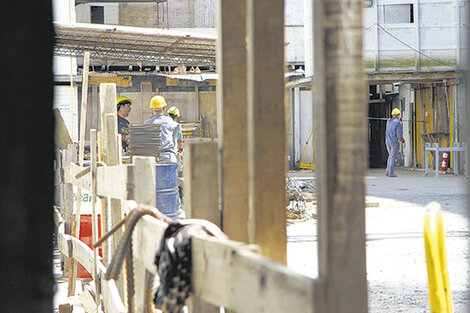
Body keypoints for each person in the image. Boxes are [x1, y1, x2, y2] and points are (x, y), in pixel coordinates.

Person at [144, 95, 179, 163]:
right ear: (164, 108)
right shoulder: (170, 121)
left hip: (153, 159)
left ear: (152, 109)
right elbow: (175, 135)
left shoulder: (146, 124)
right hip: (168, 157)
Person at [385, 108, 405, 177]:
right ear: (398, 115)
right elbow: (399, 135)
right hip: (394, 142)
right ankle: (391, 172)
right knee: (393, 157)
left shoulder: (388, 121)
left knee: (390, 156)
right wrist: (402, 140)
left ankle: (387, 171)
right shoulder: (397, 123)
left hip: (388, 142)